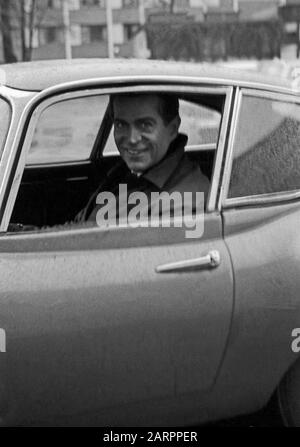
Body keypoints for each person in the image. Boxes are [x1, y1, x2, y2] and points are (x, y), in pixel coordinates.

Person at [75, 93, 209, 225]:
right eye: (121, 125)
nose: (132, 139)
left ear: (172, 129)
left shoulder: (184, 203)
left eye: (145, 125)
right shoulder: (124, 171)